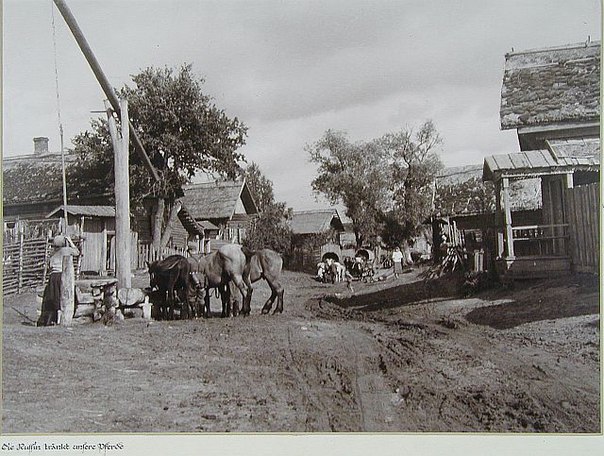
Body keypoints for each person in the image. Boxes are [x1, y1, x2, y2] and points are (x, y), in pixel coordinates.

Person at [37, 235, 80, 327]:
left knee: (54, 297)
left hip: (52, 277)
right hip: (62, 275)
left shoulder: (52, 254)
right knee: (62, 296)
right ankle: (62, 319)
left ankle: (54, 320)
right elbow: (77, 252)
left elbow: (49, 267)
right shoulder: (66, 250)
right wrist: (70, 241)